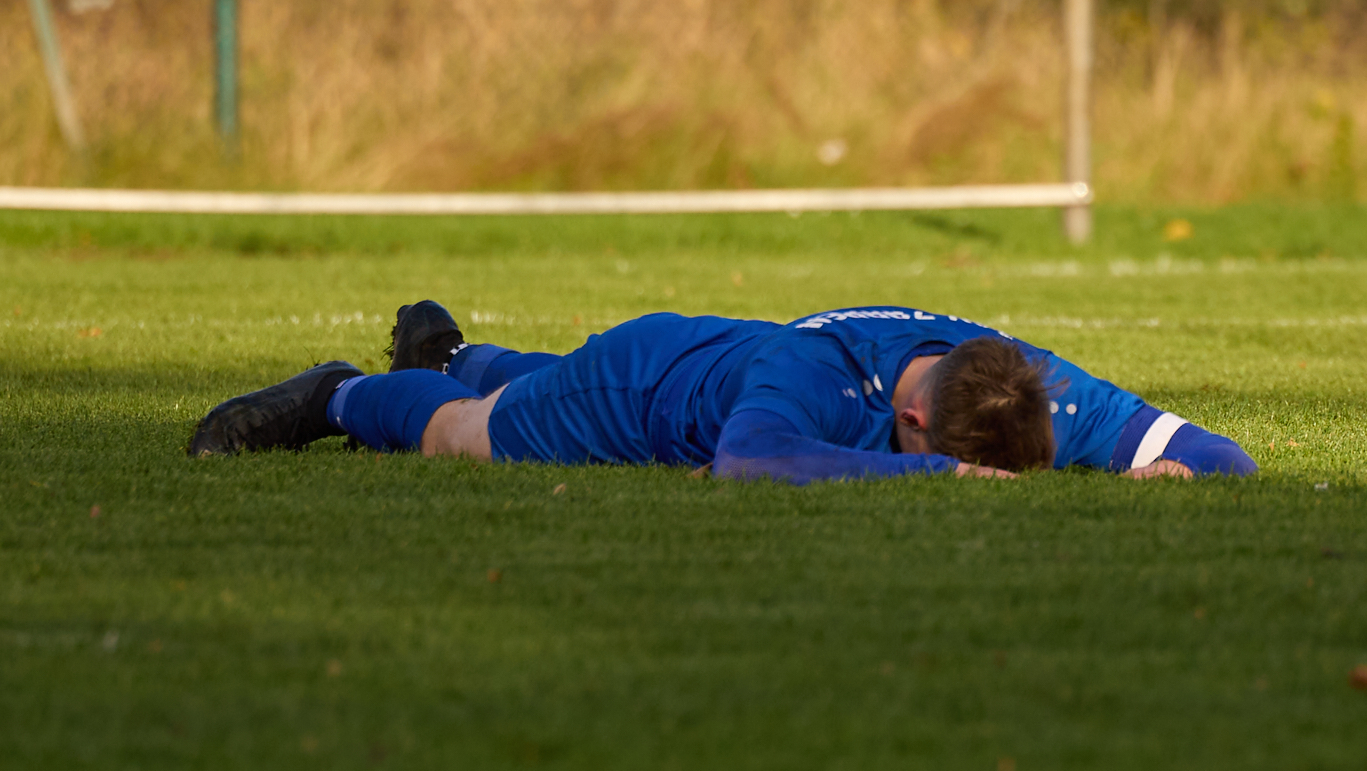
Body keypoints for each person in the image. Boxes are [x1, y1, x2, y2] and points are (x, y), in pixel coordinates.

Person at [188, 301, 1257, 483]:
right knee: (467, 434)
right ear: (913, 419)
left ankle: (458, 348)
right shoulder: (813, 382)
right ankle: (339, 395)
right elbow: (750, 461)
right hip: (643, 386)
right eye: (934, 454)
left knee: (506, 381)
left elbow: (1225, 455)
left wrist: (1177, 472)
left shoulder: (1025, 383)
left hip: (709, 353)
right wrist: (936, 483)